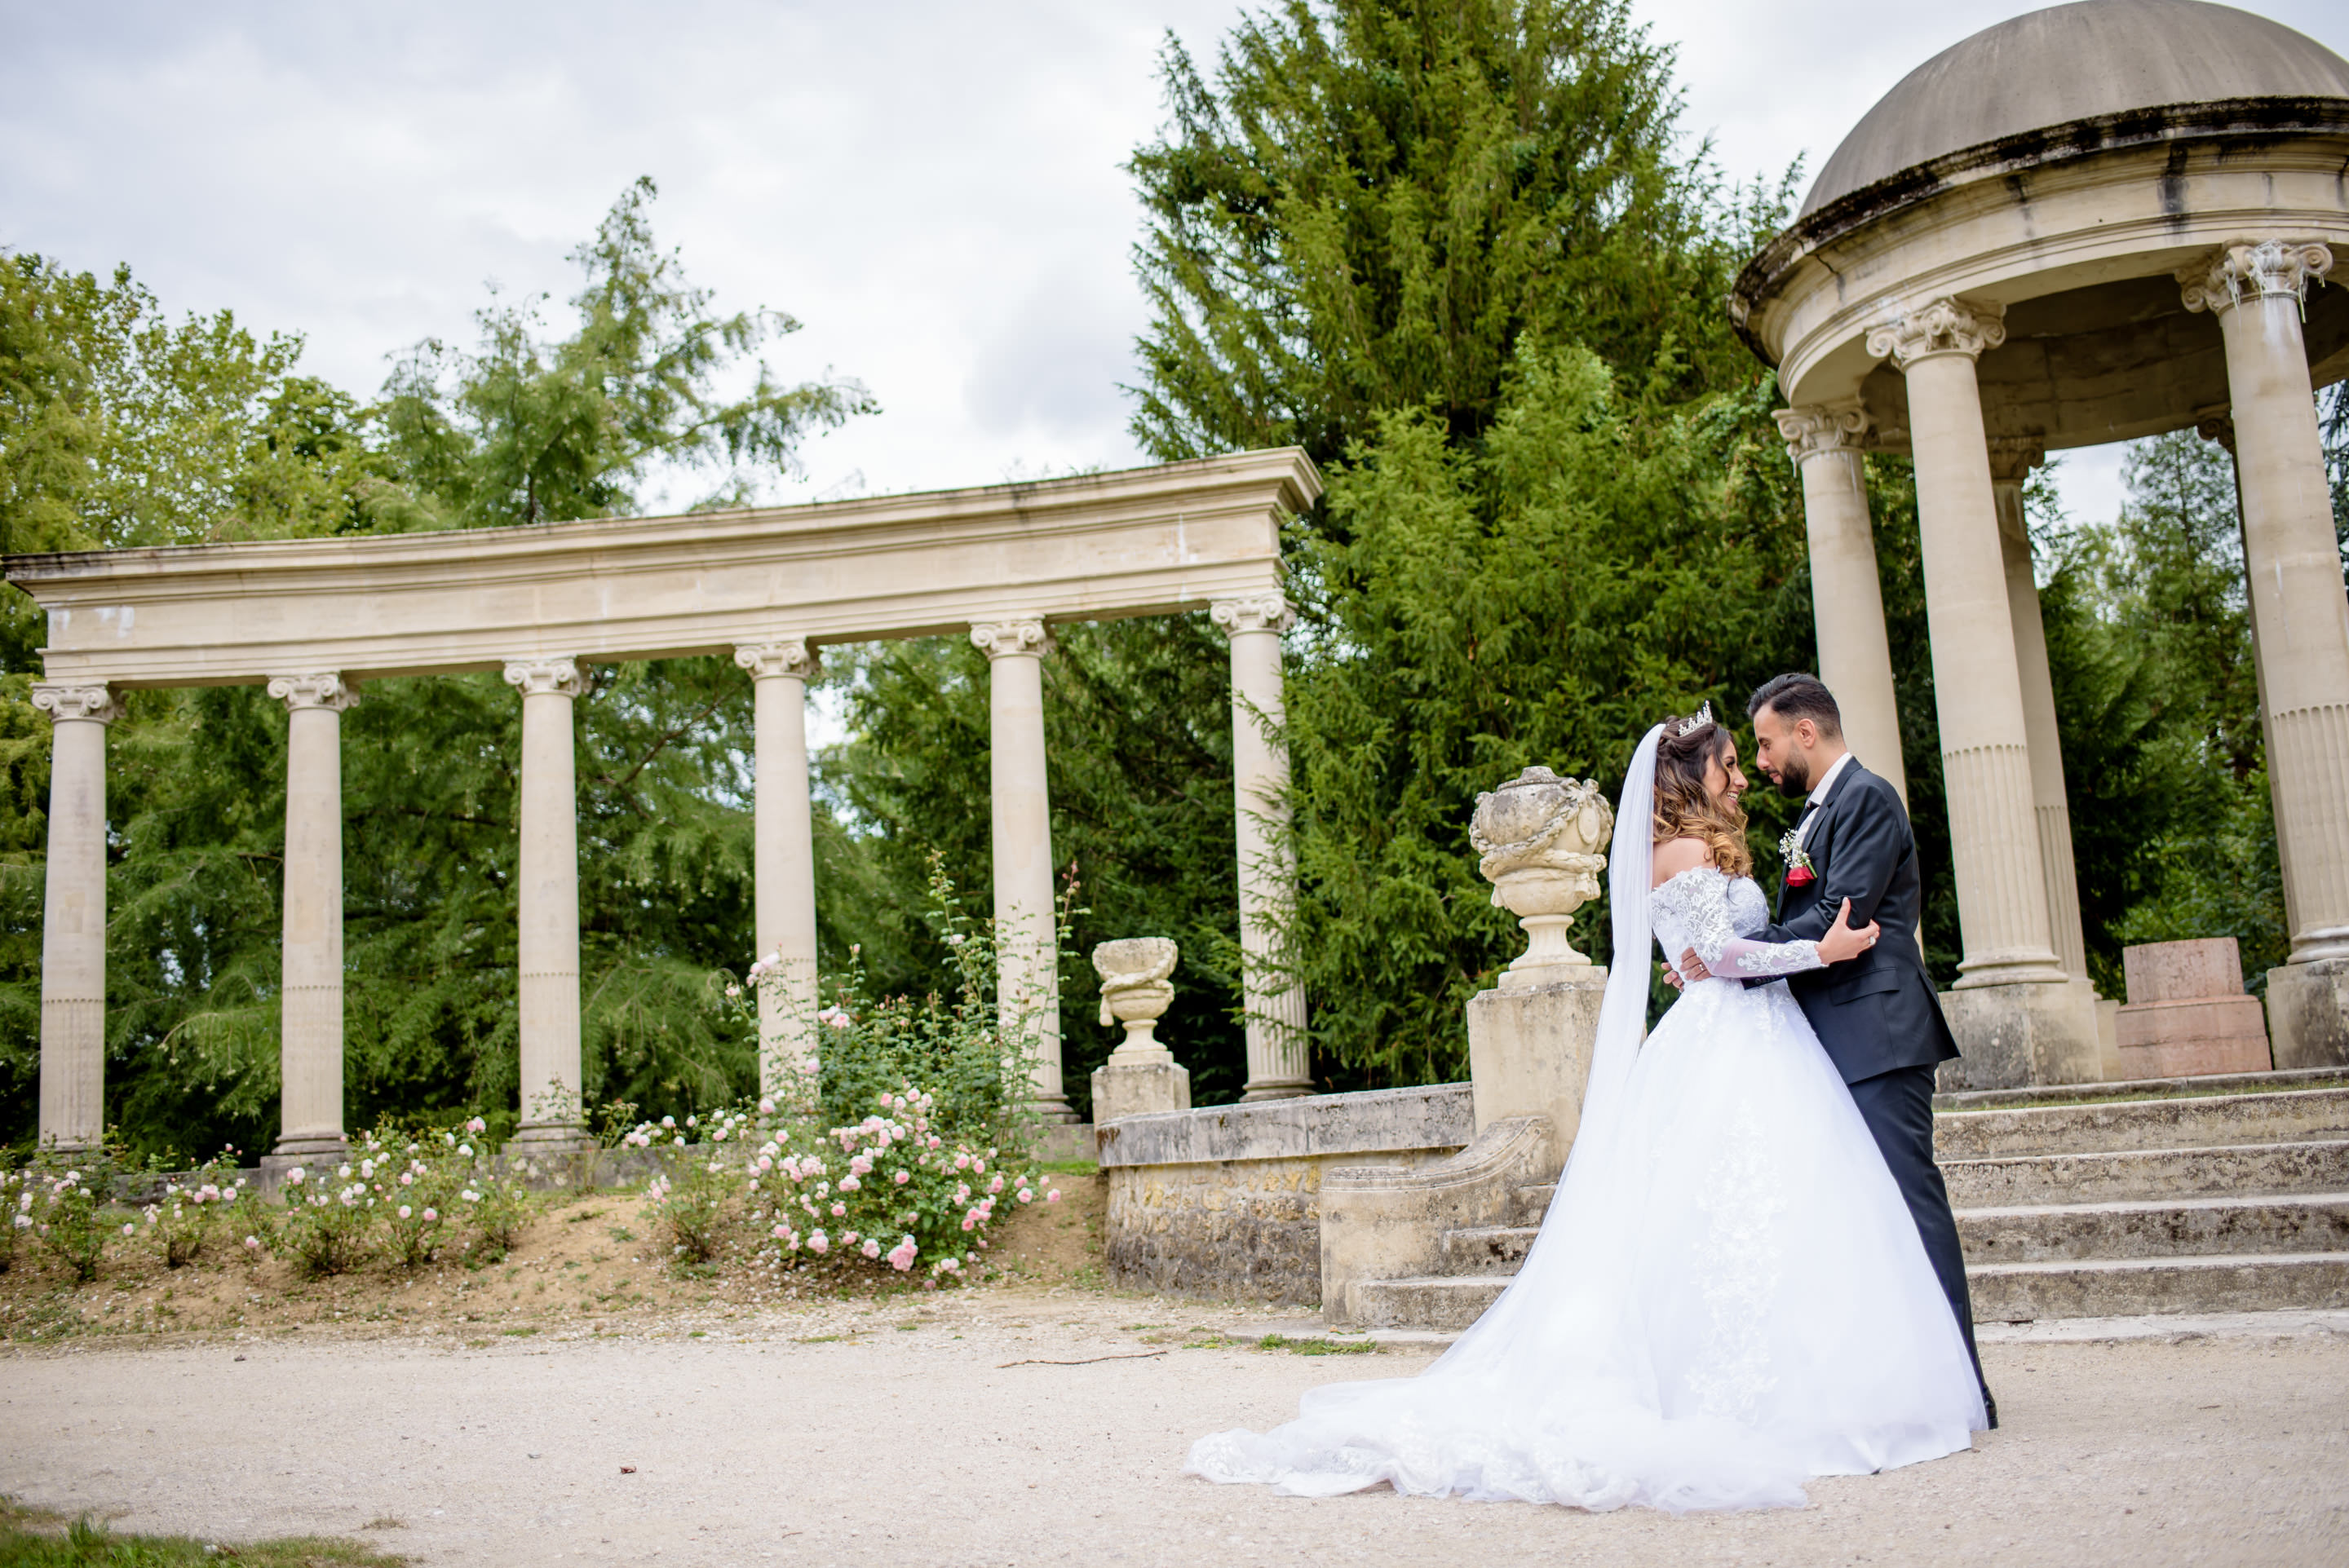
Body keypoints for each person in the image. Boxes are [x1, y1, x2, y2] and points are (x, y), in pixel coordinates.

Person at [1186, 709, 1987, 1513]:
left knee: (1756, 1212)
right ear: (1692, 775)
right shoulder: (1684, 851)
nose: (1741, 775)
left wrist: (1720, 961)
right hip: (1735, 1039)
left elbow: (1709, 954)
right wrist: (1822, 951)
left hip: (1749, 1034)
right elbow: (1728, 956)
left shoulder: (1670, 852)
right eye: (1729, 764)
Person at [1674, 673, 1993, 1428]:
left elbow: (1836, 913)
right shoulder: (1818, 814)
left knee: (1911, 1208)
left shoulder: (1869, 799)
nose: (1761, 759)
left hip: (1877, 1034)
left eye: (1766, 741)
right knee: (1862, 1218)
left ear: (1806, 733)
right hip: (1828, 1040)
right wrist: (1720, 954)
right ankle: (1903, 1381)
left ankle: (1964, 1384)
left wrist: (1728, 951)